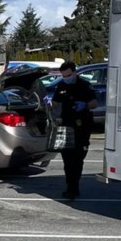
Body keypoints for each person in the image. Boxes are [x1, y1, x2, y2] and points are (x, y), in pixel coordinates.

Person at [45, 60, 98, 200]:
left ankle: (74, 186)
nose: (66, 78)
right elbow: (56, 102)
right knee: (67, 159)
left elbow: (94, 103)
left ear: (74, 72)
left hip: (82, 127)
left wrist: (85, 105)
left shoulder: (84, 85)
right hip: (66, 127)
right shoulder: (62, 85)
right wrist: (49, 103)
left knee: (78, 158)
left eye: (68, 75)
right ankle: (71, 187)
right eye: (64, 76)